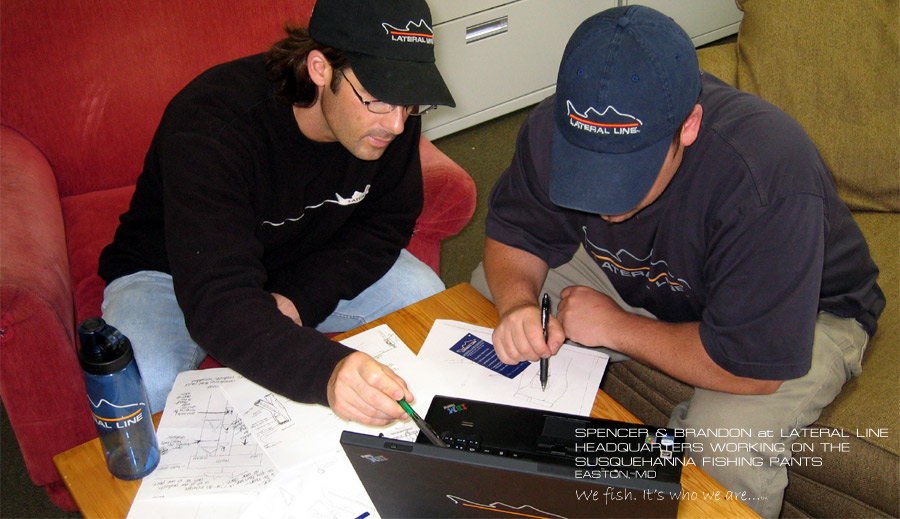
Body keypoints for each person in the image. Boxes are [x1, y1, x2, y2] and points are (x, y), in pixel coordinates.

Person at [471, 6, 884, 517]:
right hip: (654, 275)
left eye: (626, 175)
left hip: (805, 312)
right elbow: (516, 235)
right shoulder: (550, 129)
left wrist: (617, 329)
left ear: (688, 126)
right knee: (494, 291)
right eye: (586, 170)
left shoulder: (767, 176)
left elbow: (751, 370)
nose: (604, 201)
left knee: (721, 446)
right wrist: (516, 307)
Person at [97, 0, 456, 426]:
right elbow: (217, 299)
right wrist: (327, 371)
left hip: (303, 255)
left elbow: (386, 223)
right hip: (173, 271)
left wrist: (301, 297)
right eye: (378, 99)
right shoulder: (211, 126)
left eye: (411, 102)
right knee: (148, 385)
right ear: (320, 68)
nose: (397, 125)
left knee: (428, 303)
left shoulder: (392, 117)